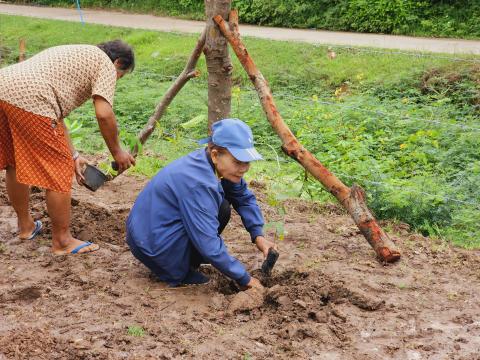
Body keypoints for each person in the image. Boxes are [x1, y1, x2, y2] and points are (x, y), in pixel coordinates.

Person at [0, 40, 136, 254]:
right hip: (33, 99)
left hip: (4, 87)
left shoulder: (78, 53)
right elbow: (104, 113)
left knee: (14, 161)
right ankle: (62, 242)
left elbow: (57, 117)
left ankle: (25, 227)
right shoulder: (105, 64)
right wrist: (117, 152)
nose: (117, 80)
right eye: (121, 75)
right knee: (58, 168)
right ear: (118, 63)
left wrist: (74, 155)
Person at [126, 118, 277, 289]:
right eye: (237, 161)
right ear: (215, 154)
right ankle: (175, 270)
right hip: (150, 242)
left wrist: (259, 236)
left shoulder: (213, 165)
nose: (244, 168)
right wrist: (244, 278)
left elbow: (243, 197)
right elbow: (208, 242)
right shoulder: (198, 182)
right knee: (211, 226)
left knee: (222, 208)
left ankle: (187, 258)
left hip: (151, 230)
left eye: (247, 162)